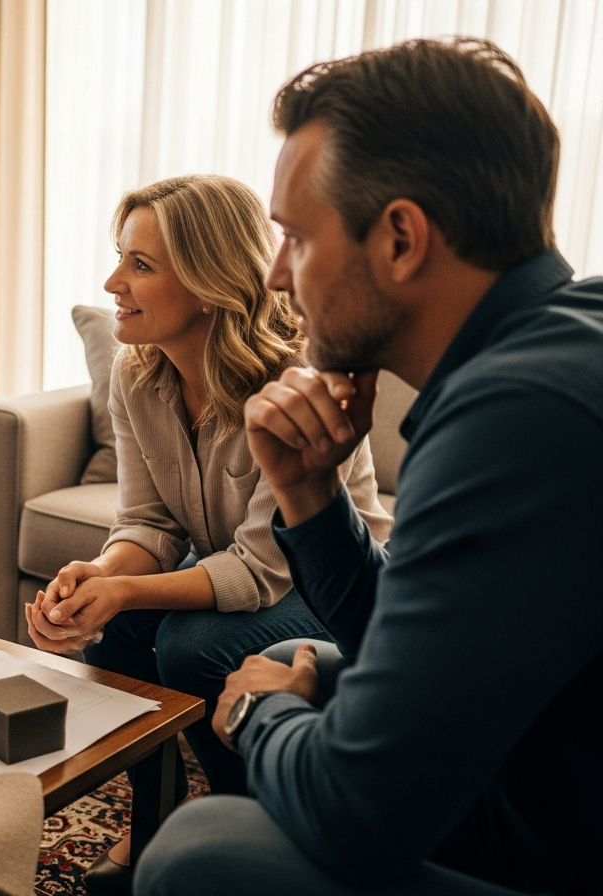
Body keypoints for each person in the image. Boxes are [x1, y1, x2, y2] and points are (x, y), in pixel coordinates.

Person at [135, 38, 603, 896]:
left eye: (295, 239)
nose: (276, 278)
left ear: (399, 238)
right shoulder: (562, 344)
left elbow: (356, 810)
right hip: (552, 786)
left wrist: (254, 708)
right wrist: (309, 497)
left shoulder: (512, 419)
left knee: (200, 851)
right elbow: (441, 643)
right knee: (320, 657)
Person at [24, 175, 392, 892]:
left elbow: (262, 570)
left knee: (190, 643)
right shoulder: (136, 374)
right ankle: (154, 813)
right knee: (120, 628)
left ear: (207, 283)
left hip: (337, 586)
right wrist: (101, 575)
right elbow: (148, 521)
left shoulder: (292, 380)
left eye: (140, 264)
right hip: (242, 567)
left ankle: (246, 810)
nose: (112, 281)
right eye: (119, 256)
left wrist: (125, 588)